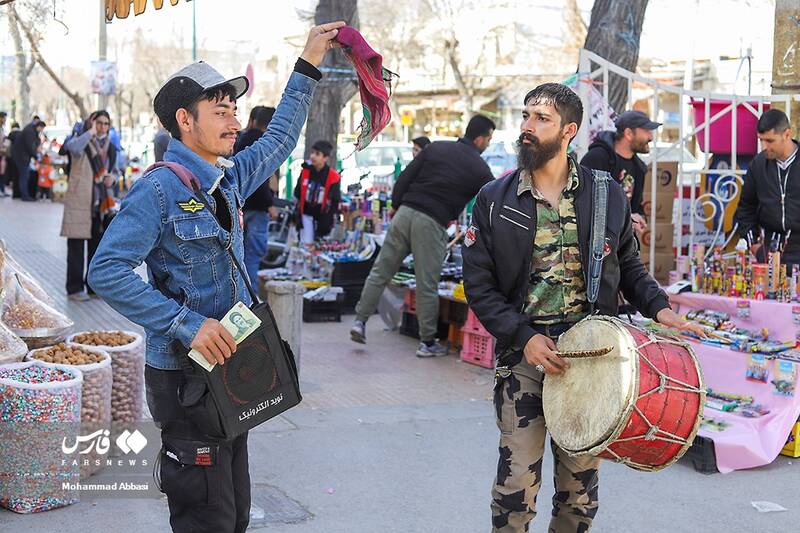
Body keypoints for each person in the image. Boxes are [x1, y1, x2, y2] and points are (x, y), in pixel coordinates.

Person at [87, 21, 343, 533]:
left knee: (234, 512)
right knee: (206, 516)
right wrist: (186, 323)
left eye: (233, 109)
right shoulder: (157, 190)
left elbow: (280, 138)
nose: (232, 120)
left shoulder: (227, 179)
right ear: (184, 120)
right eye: (219, 110)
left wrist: (307, 64)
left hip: (231, 369)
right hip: (184, 377)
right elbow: (105, 271)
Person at [460, 83, 703, 533]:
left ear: (569, 130)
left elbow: (628, 264)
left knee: (579, 495)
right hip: (525, 358)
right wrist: (523, 337)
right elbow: (479, 286)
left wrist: (660, 308)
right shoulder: (494, 199)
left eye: (542, 118)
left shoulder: (605, 193)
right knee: (515, 490)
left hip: (591, 359)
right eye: (527, 116)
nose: (528, 127)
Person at [349, 114, 495, 356]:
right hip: (432, 223)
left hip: (405, 213)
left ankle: (359, 321)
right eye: (489, 139)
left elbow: (405, 177)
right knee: (426, 284)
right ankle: (427, 342)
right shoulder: (480, 169)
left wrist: (397, 205)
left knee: (380, 272)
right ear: (479, 139)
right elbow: (493, 200)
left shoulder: (436, 148)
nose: (488, 143)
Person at [61, 111, 118, 301]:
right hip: (80, 200)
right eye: (98, 123)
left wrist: (113, 178)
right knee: (76, 247)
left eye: (105, 123)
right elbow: (73, 149)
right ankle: (74, 289)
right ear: (91, 123)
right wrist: (90, 132)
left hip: (101, 205)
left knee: (97, 249)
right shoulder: (80, 139)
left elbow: (115, 171)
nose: (102, 127)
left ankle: (93, 288)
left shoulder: (110, 147)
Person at [734, 108, 800, 264]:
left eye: (770, 140)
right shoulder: (758, 165)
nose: (764, 146)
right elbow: (746, 207)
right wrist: (754, 246)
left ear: (787, 134)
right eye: (761, 140)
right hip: (769, 252)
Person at [580, 110, 660, 237]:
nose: (651, 137)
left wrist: (639, 218)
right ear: (628, 133)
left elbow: (635, 207)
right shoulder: (597, 158)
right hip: (594, 242)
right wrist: (627, 219)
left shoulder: (639, 168)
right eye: (646, 131)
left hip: (622, 245)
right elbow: (583, 202)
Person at [234, 105, 280, 283]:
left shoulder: (240, 139)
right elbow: (260, 179)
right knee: (253, 254)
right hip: (258, 207)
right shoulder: (263, 144)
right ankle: (251, 299)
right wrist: (269, 204)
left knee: (241, 254)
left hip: (241, 205)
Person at [293, 139, 341, 243]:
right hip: (306, 214)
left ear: (325, 158)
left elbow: (335, 200)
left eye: (317, 154)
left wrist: (328, 219)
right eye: (312, 152)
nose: (312, 156)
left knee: (320, 246)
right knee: (306, 244)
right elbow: (297, 192)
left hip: (323, 218)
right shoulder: (306, 171)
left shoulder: (333, 177)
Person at [11, 118, 45, 202]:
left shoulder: (32, 130)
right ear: (39, 126)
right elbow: (29, 146)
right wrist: (36, 156)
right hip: (22, 157)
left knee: (24, 175)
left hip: (22, 156)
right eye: (41, 129)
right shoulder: (29, 131)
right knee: (24, 176)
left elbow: (36, 141)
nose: (41, 131)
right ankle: (25, 195)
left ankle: (23, 194)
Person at [0, 111, 9, 197]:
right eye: (4, 118)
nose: (5, 120)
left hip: (2, 153)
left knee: (2, 172)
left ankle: (2, 189)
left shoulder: (2, 128)